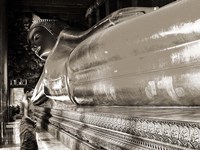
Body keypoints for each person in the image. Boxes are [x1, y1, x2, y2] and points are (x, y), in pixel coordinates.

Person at [20, 85, 38, 150]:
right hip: (27, 127)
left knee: (30, 145)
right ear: (27, 92)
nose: (32, 94)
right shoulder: (25, 102)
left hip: (28, 125)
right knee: (28, 145)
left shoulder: (26, 100)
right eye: (32, 92)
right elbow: (26, 116)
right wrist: (33, 122)